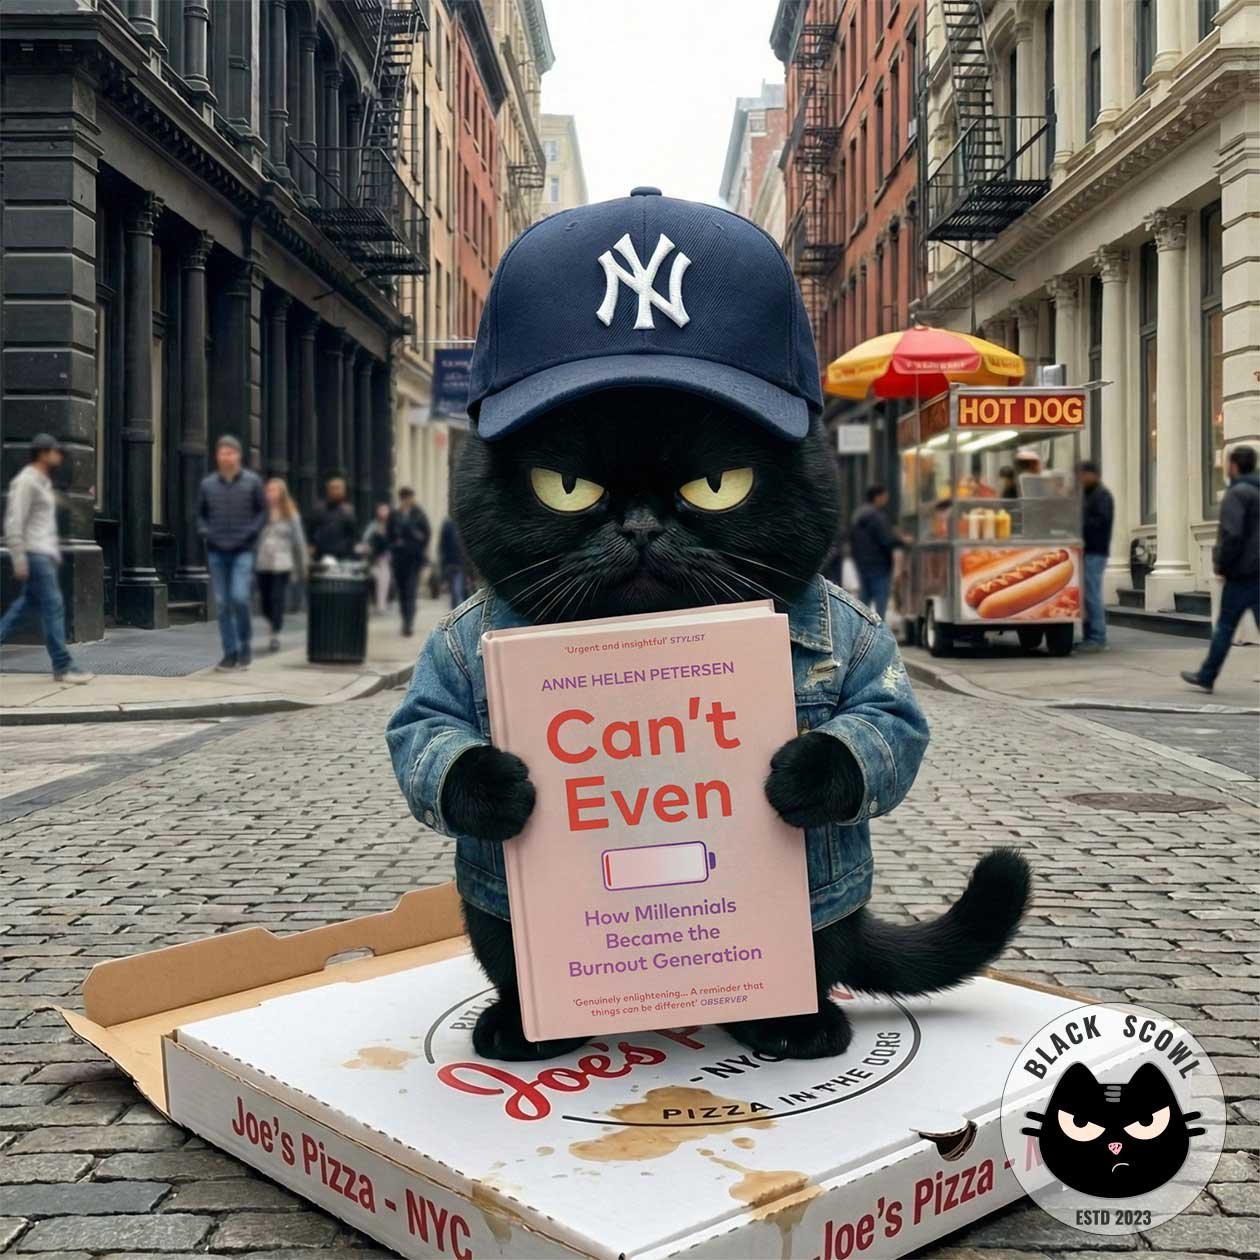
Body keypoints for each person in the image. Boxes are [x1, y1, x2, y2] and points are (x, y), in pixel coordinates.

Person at [0, 434, 93, 683]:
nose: (58, 456)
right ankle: (63, 666)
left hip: (44, 555)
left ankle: (63, 666)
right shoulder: (26, 481)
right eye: (54, 451)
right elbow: (14, 522)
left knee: (24, 607)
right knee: (53, 606)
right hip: (34, 554)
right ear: (43, 453)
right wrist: (19, 559)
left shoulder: (42, 482)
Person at [1182, 445, 1260, 693]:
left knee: (1225, 626)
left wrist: (1221, 565)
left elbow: (1232, 534)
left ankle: (1206, 676)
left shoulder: (1237, 494)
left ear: (1234, 466)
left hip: (1241, 574)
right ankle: (1206, 675)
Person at [198, 435, 265, 671]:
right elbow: (201, 514)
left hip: (243, 550)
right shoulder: (208, 485)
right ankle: (230, 653)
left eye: (230, 453)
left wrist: (250, 533)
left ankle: (245, 645)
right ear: (217, 456)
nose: (226, 457)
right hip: (217, 551)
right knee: (223, 604)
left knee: (239, 598)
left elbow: (261, 513)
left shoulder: (252, 482)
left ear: (238, 456)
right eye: (222, 453)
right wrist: (206, 530)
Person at [255, 478, 307, 654]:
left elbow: (299, 542)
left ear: (282, 493)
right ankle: (272, 623)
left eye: (275, 490)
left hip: (282, 563)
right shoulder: (261, 512)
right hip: (263, 562)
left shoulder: (291, 514)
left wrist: (304, 565)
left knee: (277, 598)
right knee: (265, 601)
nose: (271, 494)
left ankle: (274, 634)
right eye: (269, 490)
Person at [1078, 460, 1114, 652]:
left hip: (1095, 551)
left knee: (1092, 595)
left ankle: (1098, 637)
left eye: (1083, 475)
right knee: (1086, 595)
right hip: (1087, 550)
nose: (1081, 479)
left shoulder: (1102, 496)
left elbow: (1100, 522)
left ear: (1093, 475)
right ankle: (1088, 636)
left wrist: (1080, 521)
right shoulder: (1088, 495)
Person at [849, 484, 901, 619]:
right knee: (881, 602)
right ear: (877, 497)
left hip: (862, 565)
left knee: (863, 602)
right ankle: (879, 633)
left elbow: (852, 541)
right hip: (880, 565)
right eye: (884, 497)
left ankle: (861, 631)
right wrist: (902, 541)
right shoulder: (878, 517)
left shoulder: (857, 516)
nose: (886, 500)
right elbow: (886, 540)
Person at [386, 487, 430, 636]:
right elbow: (389, 535)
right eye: (405, 498)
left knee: (410, 591)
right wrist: (394, 546)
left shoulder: (418, 515)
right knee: (402, 592)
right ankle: (405, 618)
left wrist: (418, 542)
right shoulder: (394, 515)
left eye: (409, 498)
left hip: (413, 559)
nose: (407, 501)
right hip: (399, 559)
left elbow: (426, 535)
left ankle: (408, 624)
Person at [307, 474, 358, 564]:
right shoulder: (319, 509)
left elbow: (353, 534)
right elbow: (310, 530)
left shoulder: (348, 511)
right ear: (328, 490)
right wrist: (311, 546)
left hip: (343, 556)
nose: (337, 491)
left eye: (340, 488)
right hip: (322, 555)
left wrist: (351, 550)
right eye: (334, 488)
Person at [362, 503, 393, 613]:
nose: (383, 514)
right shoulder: (374, 526)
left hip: (386, 558)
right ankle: (378, 603)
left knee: (384, 581)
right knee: (376, 580)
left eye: (385, 512)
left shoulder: (390, 526)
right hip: (374, 558)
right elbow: (365, 539)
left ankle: (381, 604)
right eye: (381, 512)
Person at [439, 516, 468, 609]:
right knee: (455, 592)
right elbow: (442, 546)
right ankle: (457, 615)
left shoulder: (464, 524)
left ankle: (458, 614)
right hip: (452, 564)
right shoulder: (448, 525)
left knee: (458, 592)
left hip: (461, 564)